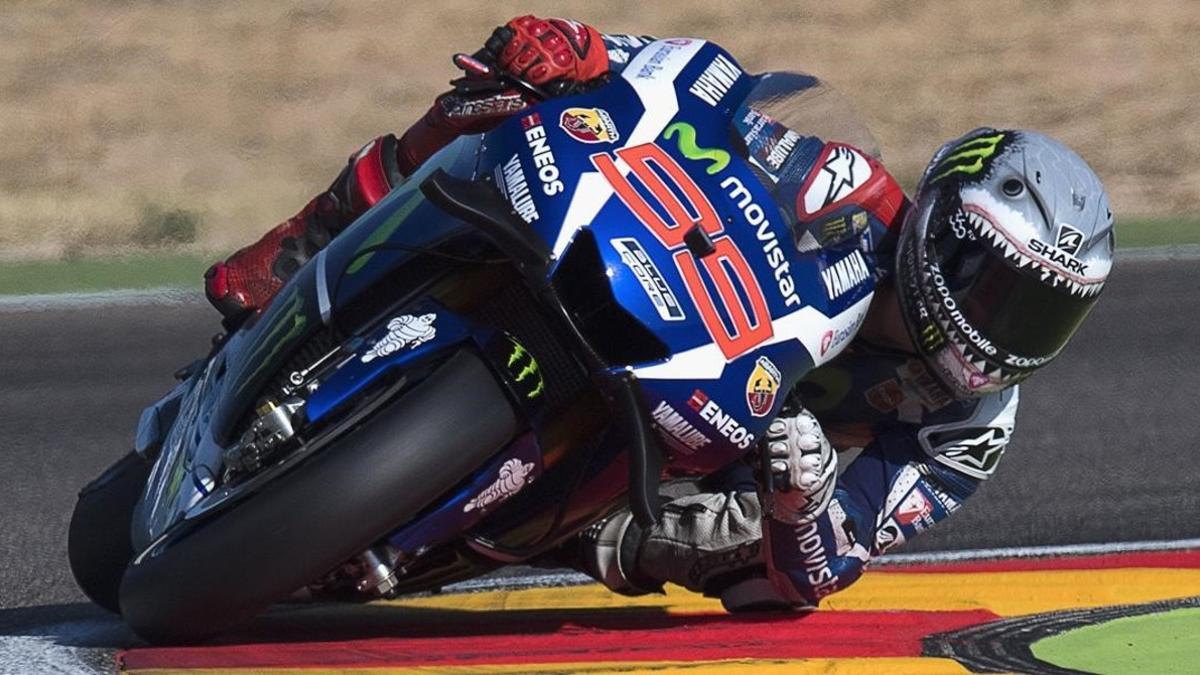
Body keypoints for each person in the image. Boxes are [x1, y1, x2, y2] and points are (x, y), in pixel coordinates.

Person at [202, 16, 1115, 611]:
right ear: (940, 224)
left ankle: (530, 526)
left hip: (688, 470)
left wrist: (802, 499)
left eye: (1041, 313)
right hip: (657, 288)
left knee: (757, 571)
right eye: (992, 283)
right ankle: (305, 243)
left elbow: (828, 567)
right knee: (501, 98)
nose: (999, 326)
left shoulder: (970, 426)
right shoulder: (849, 183)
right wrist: (577, 50)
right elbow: (699, 86)